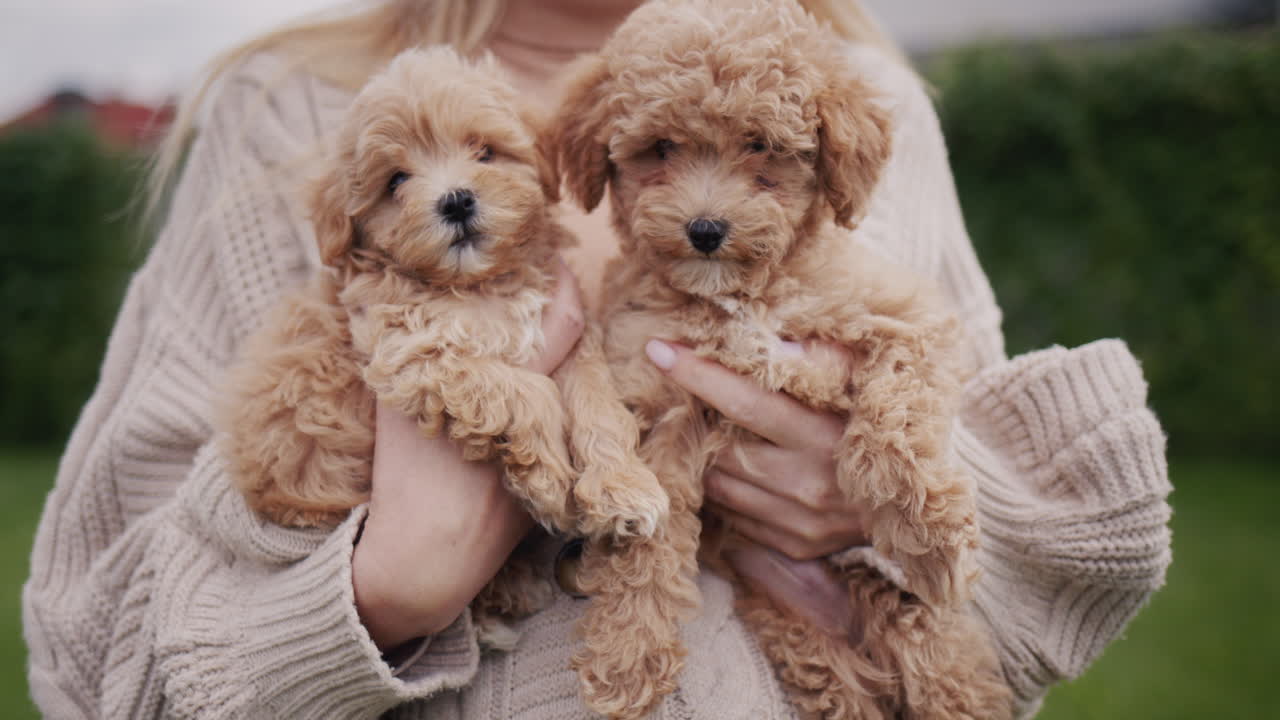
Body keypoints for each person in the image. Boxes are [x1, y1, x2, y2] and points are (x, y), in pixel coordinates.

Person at [22, 1, 1173, 718]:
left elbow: (1015, 543)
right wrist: (379, 592)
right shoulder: (282, 108)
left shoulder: (873, 100)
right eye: (654, 158)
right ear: (598, 158)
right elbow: (99, 645)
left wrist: (880, 502)